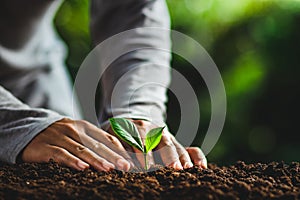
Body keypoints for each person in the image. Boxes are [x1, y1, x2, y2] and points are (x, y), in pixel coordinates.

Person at [0, 0, 207, 171]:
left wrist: (135, 111)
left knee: (76, 162)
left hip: (31, 73)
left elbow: (131, 10)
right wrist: (16, 125)